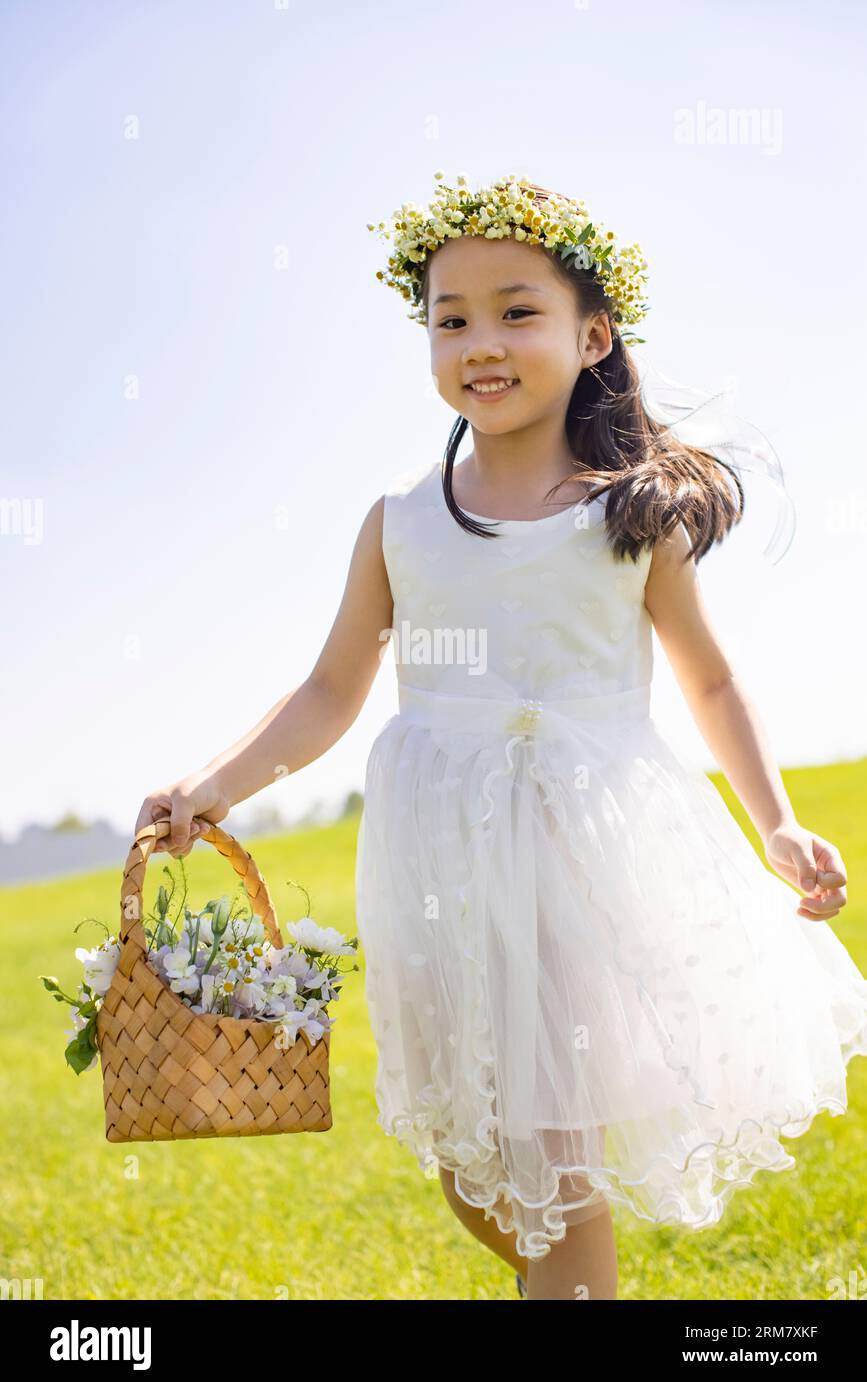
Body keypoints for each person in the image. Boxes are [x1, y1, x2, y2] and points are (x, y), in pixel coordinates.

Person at [136, 171, 867, 1302]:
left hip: (583, 859)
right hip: (444, 869)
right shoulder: (400, 522)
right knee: (473, 1170)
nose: (482, 341)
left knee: (552, 1164)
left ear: (592, 335)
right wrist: (212, 783)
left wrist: (775, 822)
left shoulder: (628, 512)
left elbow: (711, 680)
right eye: (451, 319)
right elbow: (331, 687)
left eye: (518, 311)